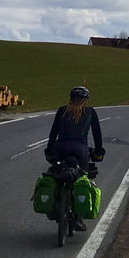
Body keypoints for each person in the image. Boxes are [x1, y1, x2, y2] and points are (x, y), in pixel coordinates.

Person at [46, 86, 105, 229]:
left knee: (58, 172)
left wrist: (49, 151)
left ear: (70, 98)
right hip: (80, 150)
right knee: (81, 179)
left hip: (60, 148)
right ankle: (78, 218)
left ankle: (57, 203)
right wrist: (98, 152)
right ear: (85, 100)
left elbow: (53, 133)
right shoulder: (90, 112)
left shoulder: (62, 111)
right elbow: (97, 134)